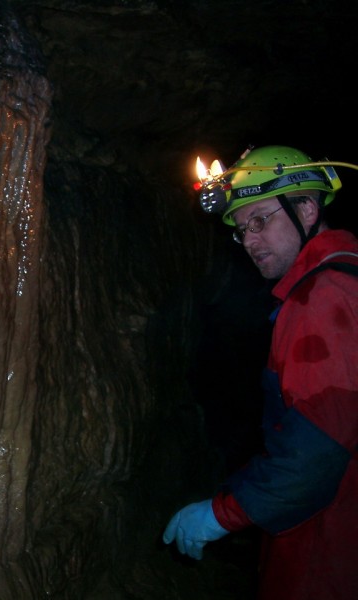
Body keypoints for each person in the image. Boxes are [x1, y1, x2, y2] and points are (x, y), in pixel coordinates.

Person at [162, 145, 358, 600]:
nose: (249, 240)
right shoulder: (346, 278)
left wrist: (221, 514)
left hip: (326, 551)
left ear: (307, 209)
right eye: (241, 229)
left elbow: (314, 452)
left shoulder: (322, 299)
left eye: (261, 220)